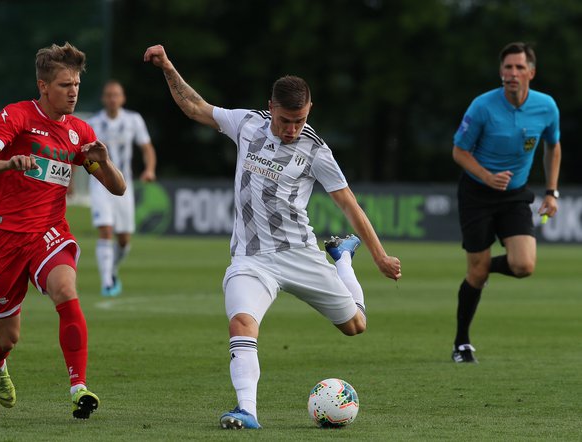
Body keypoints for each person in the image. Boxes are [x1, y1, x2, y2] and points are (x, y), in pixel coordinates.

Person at [143, 44, 401, 429]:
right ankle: (247, 411)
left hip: (299, 252)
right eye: (284, 120)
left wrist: (379, 256)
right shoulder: (247, 123)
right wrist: (166, 66)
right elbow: (196, 107)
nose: (291, 129)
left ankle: (343, 257)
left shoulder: (315, 150)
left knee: (355, 325)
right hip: (251, 257)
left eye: (298, 120)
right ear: (271, 107)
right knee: (242, 322)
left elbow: (348, 204)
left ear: (308, 110)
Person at [0, 42, 126, 418]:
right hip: (4, 237)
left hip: (49, 232)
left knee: (66, 290)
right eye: (63, 85)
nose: (72, 92)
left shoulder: (79, 132)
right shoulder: (17, 116)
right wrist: (8, 164)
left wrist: (104, 163)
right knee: (8, 337)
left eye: (76, 85)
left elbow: (117, 188)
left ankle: (79, 388)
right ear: (43, 86)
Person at [451, 42, 561, 364]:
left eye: (518, 67)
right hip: (477, 194)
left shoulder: (546, 107)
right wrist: (486, 176)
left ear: (531, 72)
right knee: (477, 274)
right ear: (501, 72)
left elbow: (553, 146)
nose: (512, 73)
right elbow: (459, 151)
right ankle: (461, 343)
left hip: (514, 194)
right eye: (507, 68)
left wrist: (552, 192)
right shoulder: (482, 107)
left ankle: (482, 265)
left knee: (524, 266)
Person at [87, 80, 158, 297]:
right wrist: (70, 183)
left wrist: (149, 169)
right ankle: (107, 282)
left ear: (122, 98)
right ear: (103, 99)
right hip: (99, 184)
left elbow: (147, 148)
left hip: (123, 184)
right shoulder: (93, 123)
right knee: (105, 229)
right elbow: (81, 156)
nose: (112, 99)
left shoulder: (133, 120)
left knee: (124, 239)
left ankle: (112, 269)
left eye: (116, 95)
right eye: (108, 95)